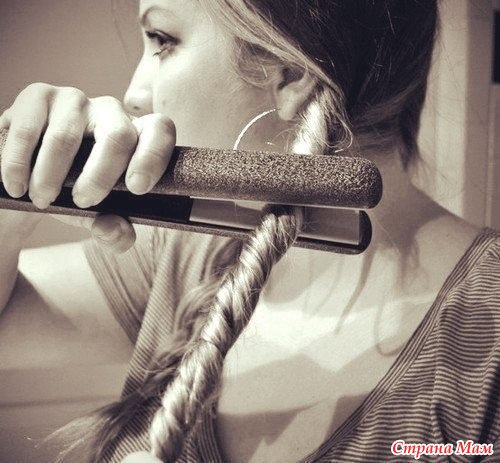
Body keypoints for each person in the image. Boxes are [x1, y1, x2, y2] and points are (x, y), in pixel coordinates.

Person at [0, 0, 499, 462]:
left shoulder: (487, 331)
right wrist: (13, 192)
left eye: (162, 40)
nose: (134, 94)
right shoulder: (184, 247)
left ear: (290, 76)